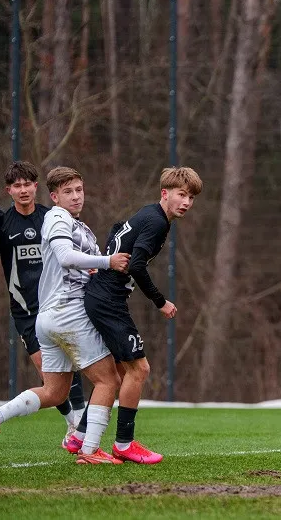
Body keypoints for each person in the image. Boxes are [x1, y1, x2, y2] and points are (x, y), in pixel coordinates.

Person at [0, 167, 130, 464]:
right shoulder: (57, 218)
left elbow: (75, 264)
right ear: (54, 196)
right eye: (68, 191)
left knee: (55, 392)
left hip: (48, 316)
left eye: (79, 190)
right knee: (109, 380)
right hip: (65, 313)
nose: (76, 196)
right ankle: (90, 451)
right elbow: (66, 257)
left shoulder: (70, 222)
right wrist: (108, 261)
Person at [66, 167, 202, 464]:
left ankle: (80, 436)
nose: (186, 202)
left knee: (118, 372)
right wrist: (160, 301)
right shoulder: (157, 222)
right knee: (139, 370)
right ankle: (124, 444)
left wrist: (108, 259)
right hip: (108, 302)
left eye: (191, 197)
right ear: (165, 193)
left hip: (101, 296)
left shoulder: (148, 213)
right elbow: (137, 265)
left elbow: (118, 229)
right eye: (181, 195)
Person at [0, 161, 88, 447]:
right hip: (25, 312)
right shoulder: (3, 224)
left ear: (36, 187)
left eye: (27, 184)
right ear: (9, 191)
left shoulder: (51, 218)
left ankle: (76, 426)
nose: (23, 190)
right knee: (50, 376)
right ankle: (73, 423)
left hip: (57, 305)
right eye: (17, 186)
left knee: (69, 366)